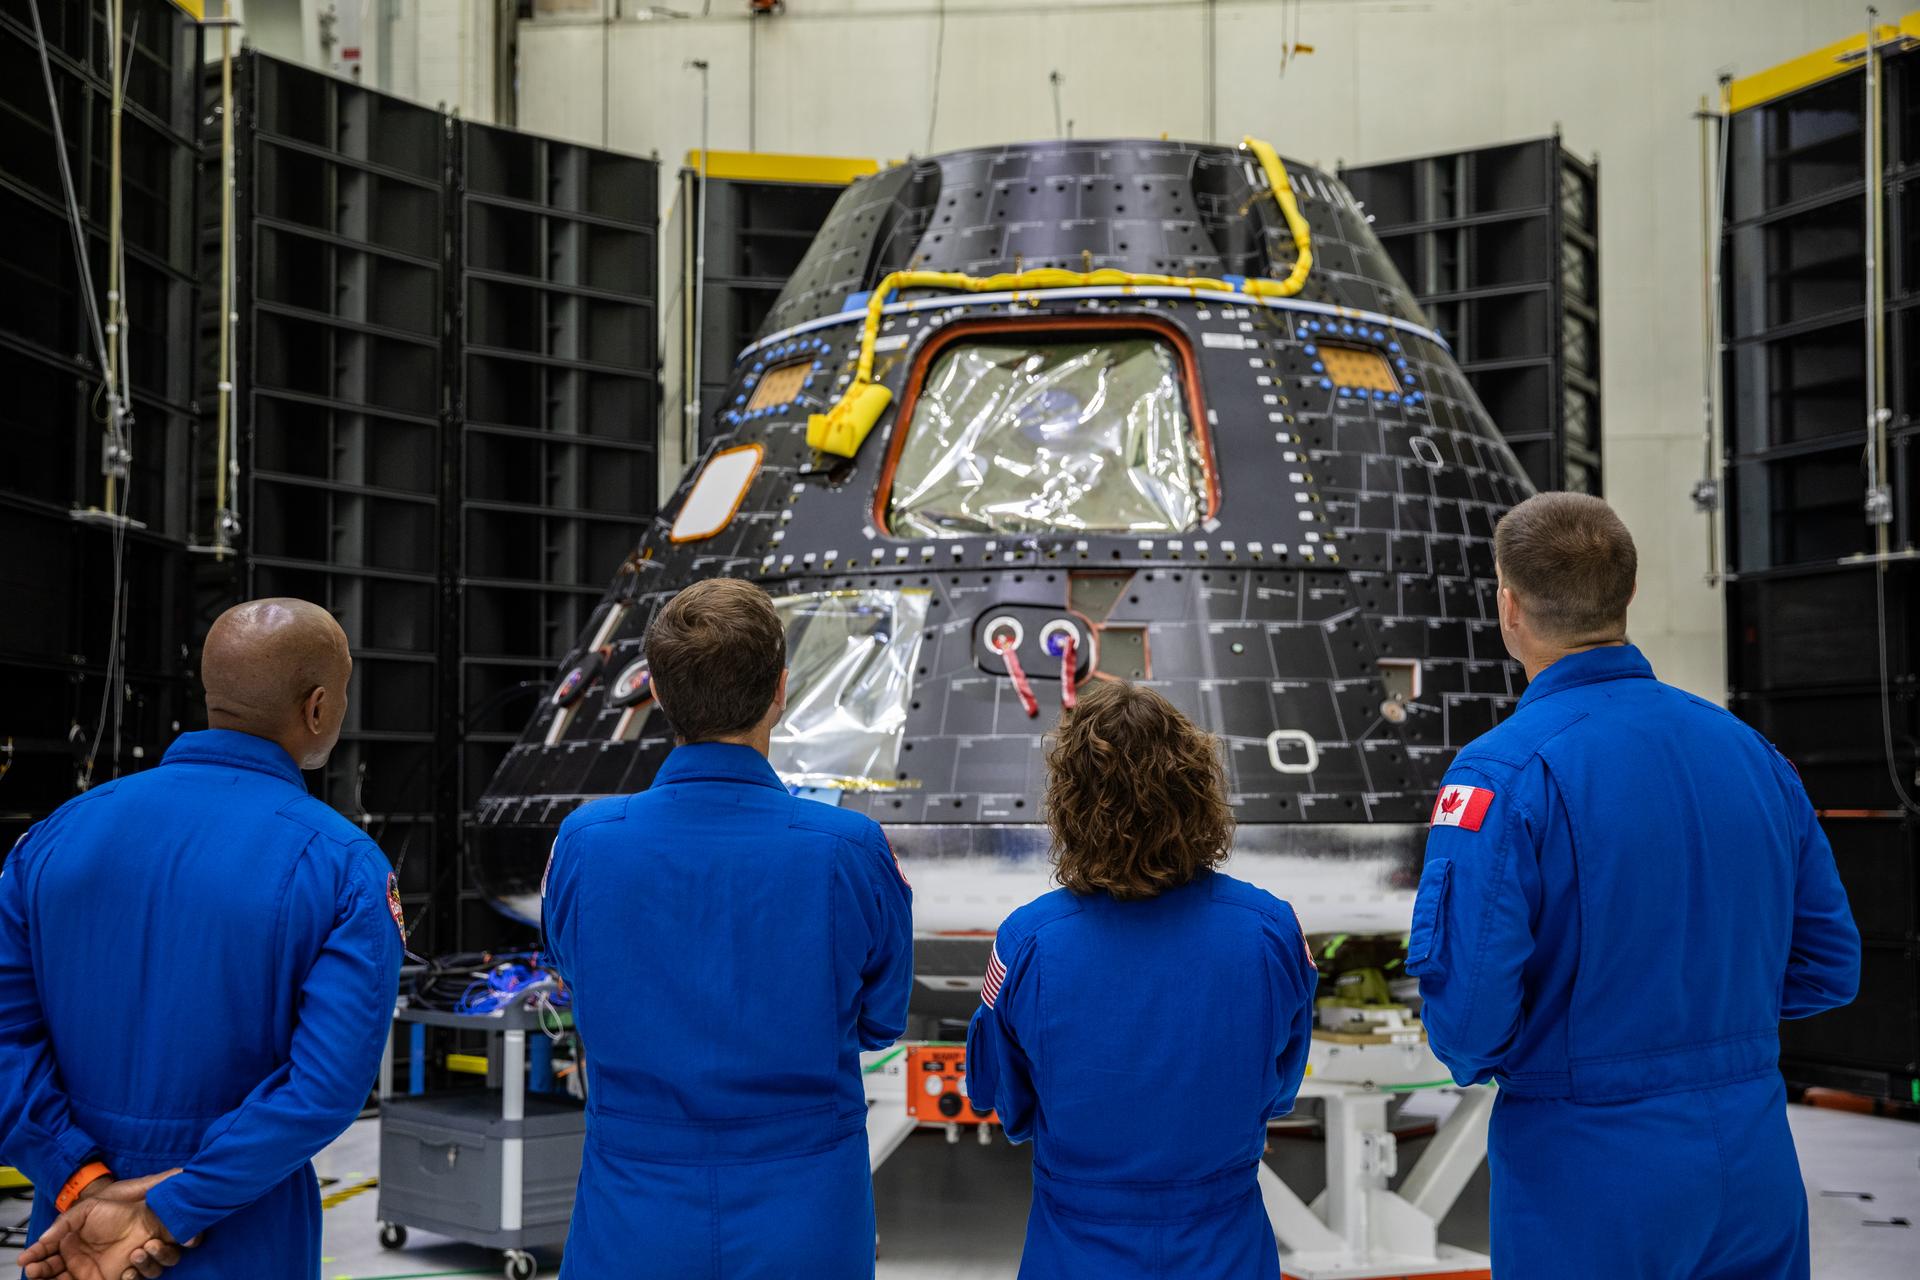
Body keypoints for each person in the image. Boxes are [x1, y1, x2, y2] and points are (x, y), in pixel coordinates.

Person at [1408, 492, 1861, 1280]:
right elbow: (1829, 966)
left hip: (1591, 1162)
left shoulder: (1501, 773)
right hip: (1754, 1154)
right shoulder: (1752, 752)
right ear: (1629, 594)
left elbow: (1471, 1021)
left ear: (1508, 605)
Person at [5, 599, 405, 1279]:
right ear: (316, 709)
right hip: (240, 1231)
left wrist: (84, 1185)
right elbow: (323, 1090)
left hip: (75, 1239)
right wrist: (169, 1207)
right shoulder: (343, 865)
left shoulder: (53, 837)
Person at [541, 578, 914, 1280]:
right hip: (807, 1217)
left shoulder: (585, 843)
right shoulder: (850, 849)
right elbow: (881, 1020)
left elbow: (571, 968)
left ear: (653, 690)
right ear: (780, 691)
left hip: (632, 1217)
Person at [966, 679, 1319, 1279]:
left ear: (1068, 803)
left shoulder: (1027, 942)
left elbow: (1003, 1097)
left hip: (1077, 1249)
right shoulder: (1271, 932)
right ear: (1197, 791)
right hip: (1225, 1247)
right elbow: (1280, 1086)